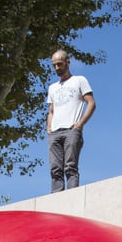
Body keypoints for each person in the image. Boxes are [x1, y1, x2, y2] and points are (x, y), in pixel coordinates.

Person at [46, 49, 95, 193]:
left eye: (60, 64)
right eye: (54, 65)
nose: (57, 68)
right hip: (54, 132)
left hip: (71, 130)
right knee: (55, 169)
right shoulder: (53, 88)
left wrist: (80, 124)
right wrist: (49, 127)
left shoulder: (79, 80)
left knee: (70, 166)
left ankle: (72, 197)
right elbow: (51, 111)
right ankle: (56, 199)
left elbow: (91, 103)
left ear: (68, 62)